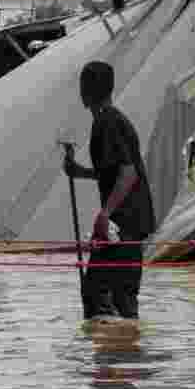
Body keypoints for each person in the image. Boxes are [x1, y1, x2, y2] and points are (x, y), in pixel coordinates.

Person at [63, 61, 155, 320]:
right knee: (103, 295)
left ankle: (121, 352)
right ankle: (118, 353)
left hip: (124, 223)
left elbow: (129, 173)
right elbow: (114, 172)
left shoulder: (108, 122)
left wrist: (105, 213)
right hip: (125, 221)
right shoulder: (109, 119)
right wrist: (80, 172)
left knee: (108, 297)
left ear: (86, 91)